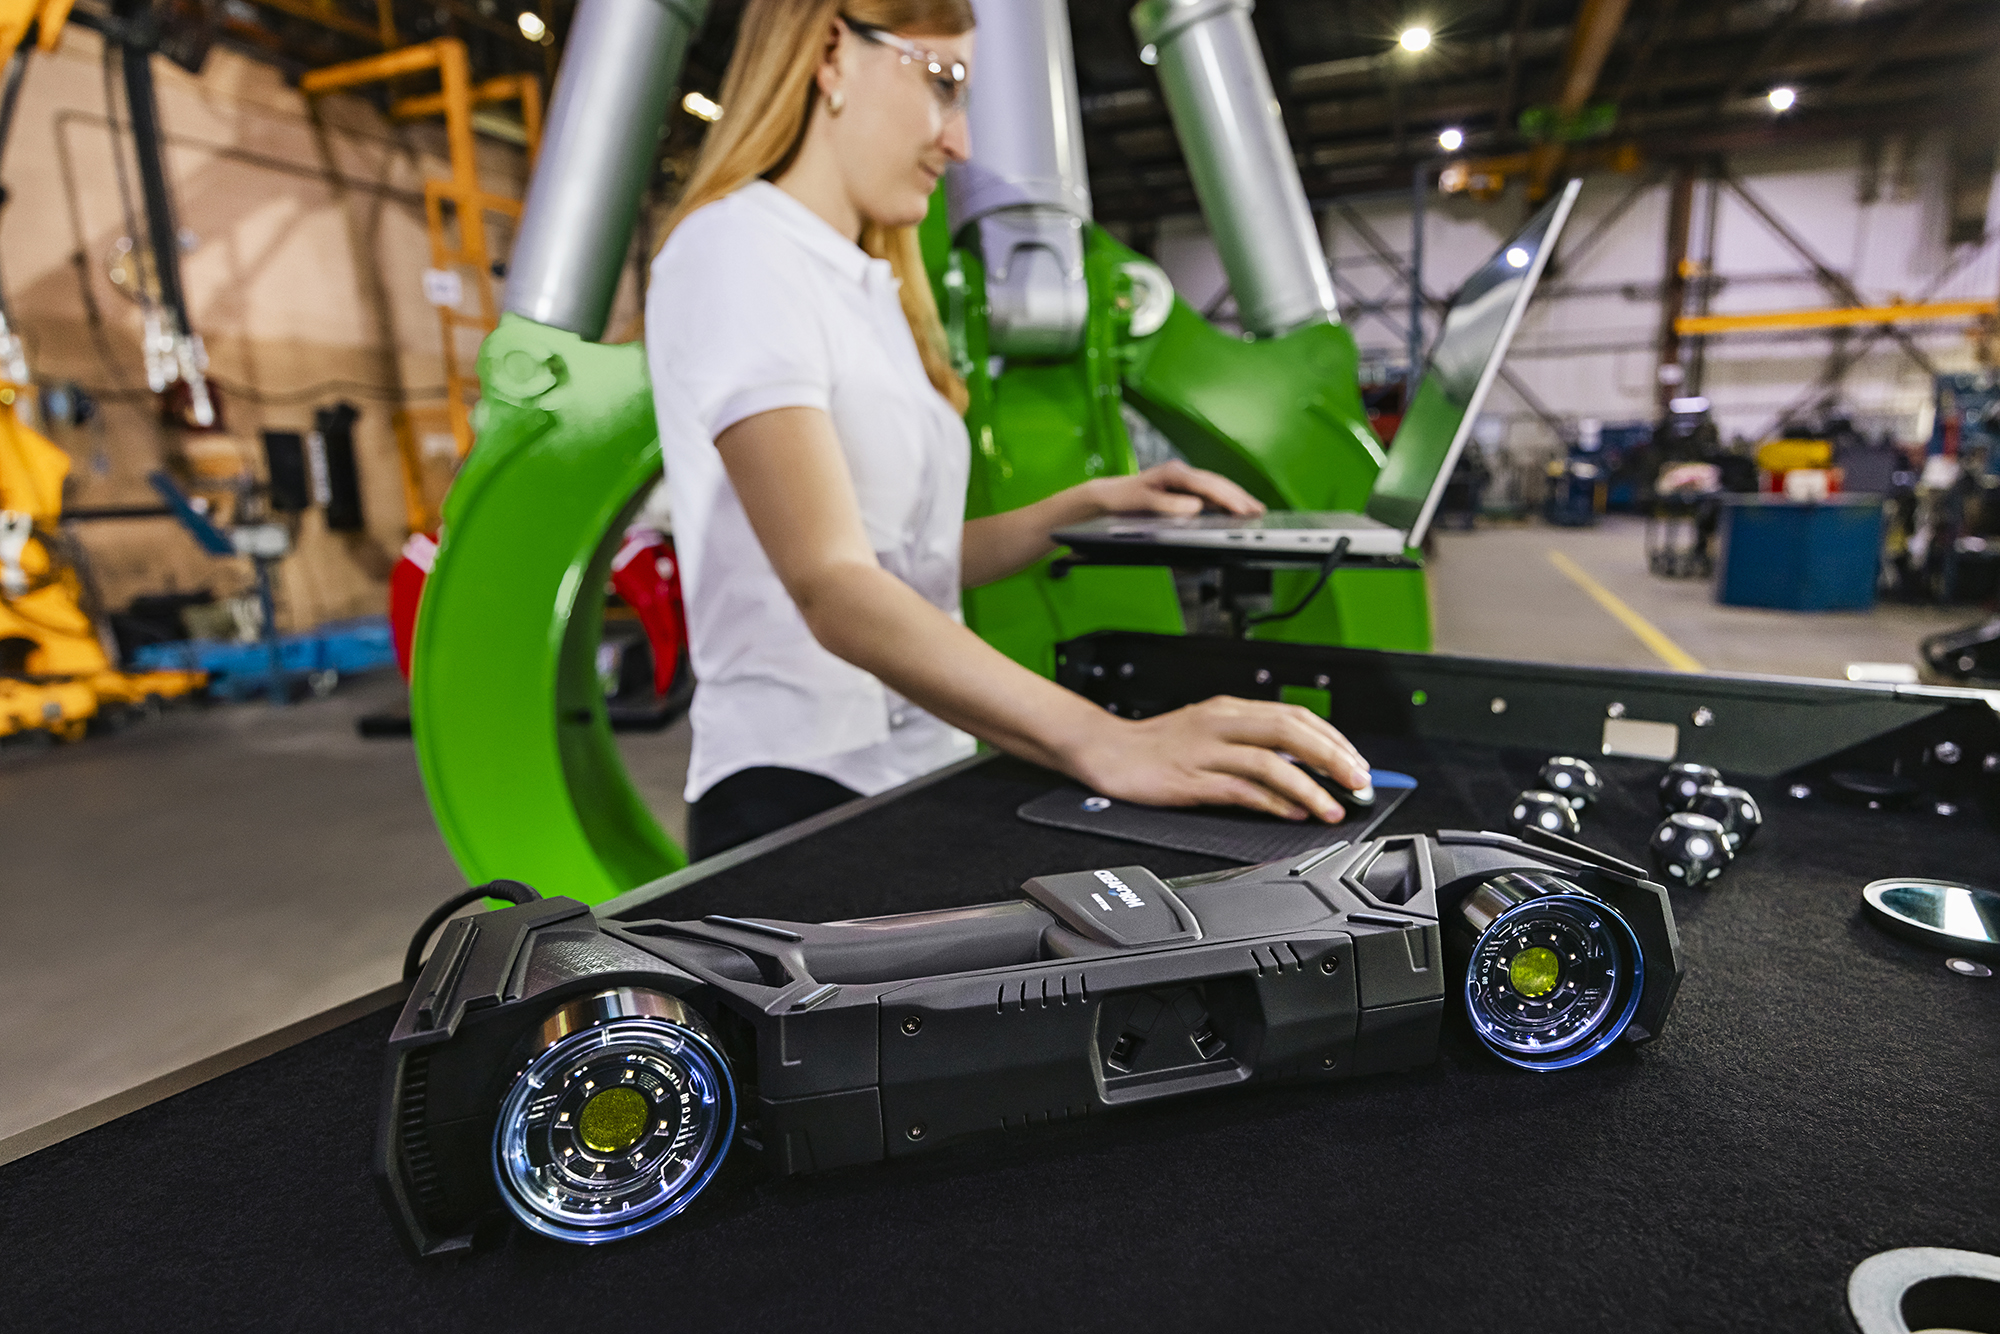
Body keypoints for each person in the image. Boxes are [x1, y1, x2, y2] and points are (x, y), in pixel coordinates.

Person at [647, 0, 1370, 860]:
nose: (959, 143)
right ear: (833, 52)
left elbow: (905, 564)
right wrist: (1106, 739)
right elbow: (833, 583)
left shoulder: (867, 289)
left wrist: (1089, 506)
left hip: (917, 765)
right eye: (944, 84)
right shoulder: (736, 248)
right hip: (796, 788)